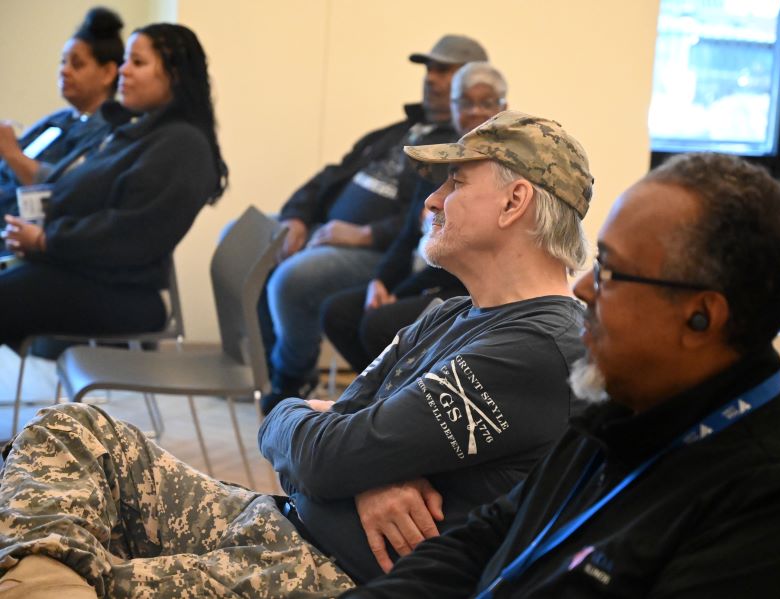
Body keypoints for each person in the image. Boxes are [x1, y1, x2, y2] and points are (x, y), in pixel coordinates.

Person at [0, 110, 591, 597]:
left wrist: (342, 454)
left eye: (456, 183)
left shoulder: (537, 350)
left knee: (111, 582)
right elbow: (291, 423)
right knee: (73, 430)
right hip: (281, 519)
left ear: (515, 203)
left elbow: (325, 456)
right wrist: (361, 474)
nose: (431, 202)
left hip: (320, 573)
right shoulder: (447, 312)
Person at [344, 152, 780, 599]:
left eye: (610, 271)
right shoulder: (621, 413)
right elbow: (485, 539)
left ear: (701, 316)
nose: (584, 288)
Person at [261, 34, 487, 411]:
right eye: (429, 69)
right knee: (263, 236)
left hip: (376, 251)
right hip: (327, 228)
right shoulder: (400, 130)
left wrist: (366, 234)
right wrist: (297, 215)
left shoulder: (460, 146)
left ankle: (291, 379)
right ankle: (268, 369)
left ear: (472, 80)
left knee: (293, 278)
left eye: (443, 70)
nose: (431, 78)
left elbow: (428, 216)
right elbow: (333, 173)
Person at [0, 23, 227, 350]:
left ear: (175, 74)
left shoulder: (181, 145)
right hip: (88, 272)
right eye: (125, 61)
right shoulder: (140, 131)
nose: (123, 71)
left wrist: (46, 240)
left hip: (121, 293)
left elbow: (129, 234)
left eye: (137, 62)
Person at [321, 61, 508, 373]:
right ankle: (377, 394)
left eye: (486, 102)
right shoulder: (437, 160)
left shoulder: (500, 172)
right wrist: (381, 281)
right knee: (337, 312)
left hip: (463, 286)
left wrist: (400, 293)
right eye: (465, 101)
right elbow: (408, 234)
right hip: (420, 275)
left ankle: (395, 398)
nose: (475, 111)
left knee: (378, 325)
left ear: (503, 107)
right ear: (452, 106)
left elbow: (461, 256)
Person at [0, 7, 124, 216]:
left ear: (108, 73)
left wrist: (12, 154)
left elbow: (71, 187)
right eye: (63, 61)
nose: (64, 71)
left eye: (77, 64)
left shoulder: (114, 131)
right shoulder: (57, 121)